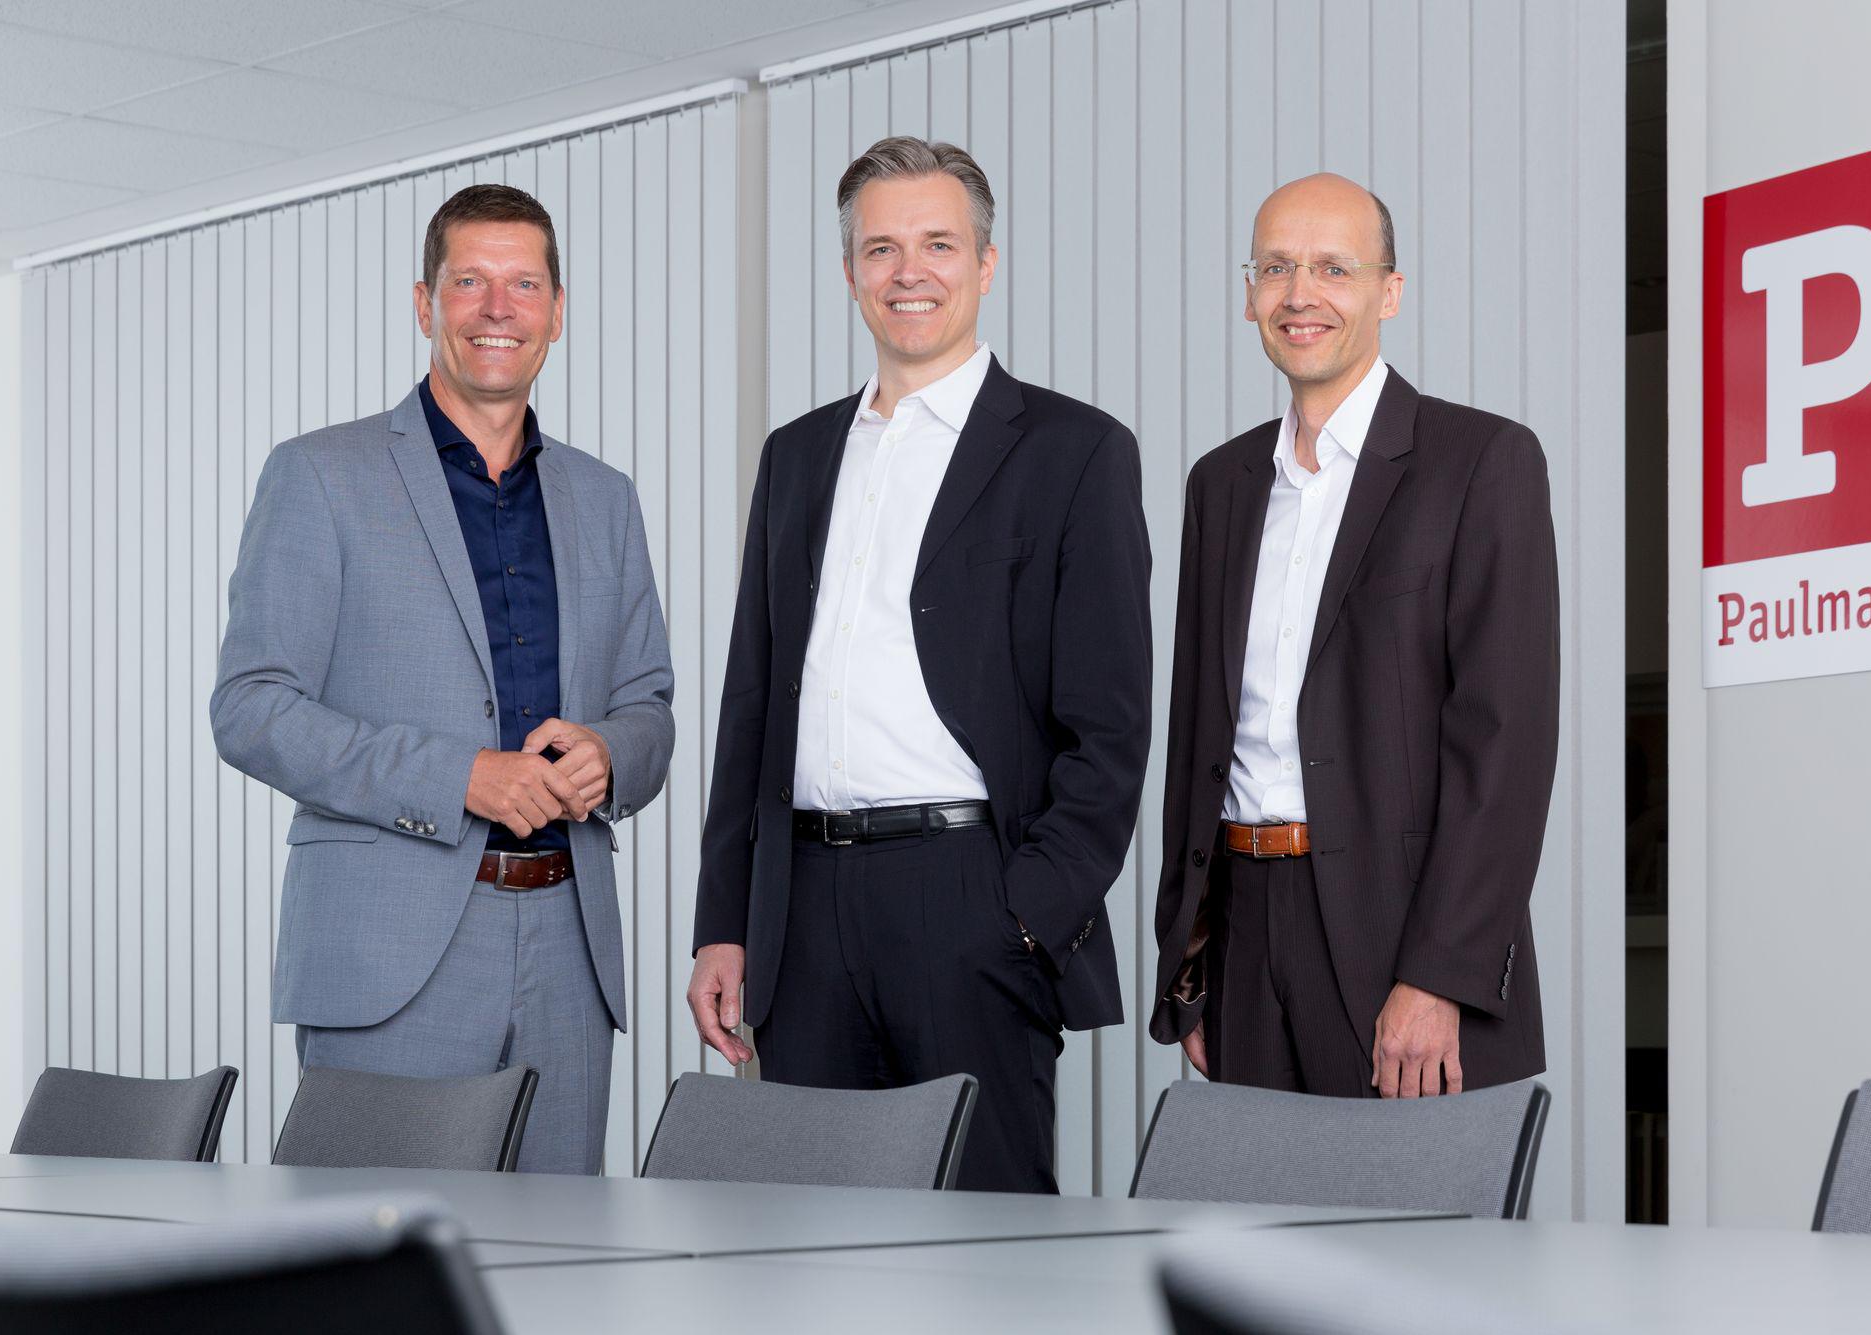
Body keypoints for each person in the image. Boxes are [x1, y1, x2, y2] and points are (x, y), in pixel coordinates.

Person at [689, 137, 1150, 1192]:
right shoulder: (795, 455)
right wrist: (726, 923)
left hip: (969, 898)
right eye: (881, 248)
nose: (910, 271)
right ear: (850, 270)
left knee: (987, 1255)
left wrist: (1027, 915)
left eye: (938, 244)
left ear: (985, 263)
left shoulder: (1073, 452)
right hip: (800, 911)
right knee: (811, 1244)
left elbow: (1111, 726)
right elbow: (751, 705)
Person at [212, 184, 675, 1173]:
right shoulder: (320, 476)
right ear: (425, 304)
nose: (496, 309)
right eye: (470, 282)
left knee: (556, 1276)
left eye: (521, 285)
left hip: (569, 950)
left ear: (557, 309)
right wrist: (457, 777)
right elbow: (250, 707)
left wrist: (610, 752)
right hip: (394, 956)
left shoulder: (604, 500)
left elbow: (649, 706)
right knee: (374, 1276)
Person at [1149, 173, 1558, 1099]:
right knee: (1255, 1237)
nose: (1302, 294)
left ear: (1390, 290)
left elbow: (1507, 745)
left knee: (1411, 1241)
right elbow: (1197, 738)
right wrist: (1193, 960)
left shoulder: (1481, 462)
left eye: (1334, 267)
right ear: (1249, 291)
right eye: (1277, 268)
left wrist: (1440, 976)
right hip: (1244, 935)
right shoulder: (1220, 484)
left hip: (1397, 942)